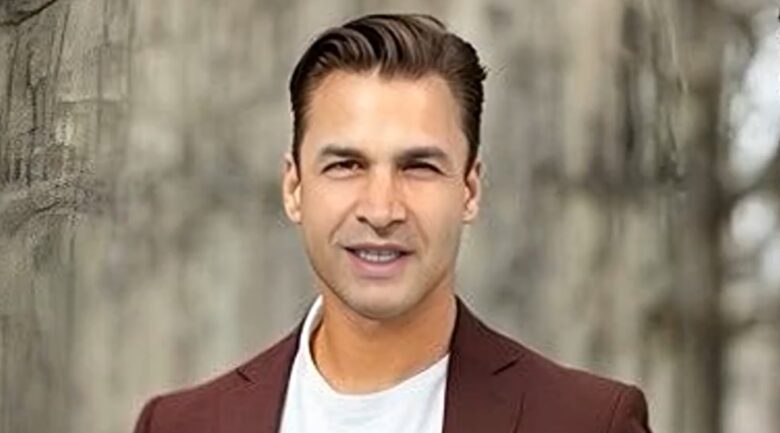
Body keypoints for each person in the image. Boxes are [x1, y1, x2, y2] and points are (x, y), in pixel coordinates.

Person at [133, 13, 652, 433]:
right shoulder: (178, 425)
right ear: (294, 188)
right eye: (346, 165)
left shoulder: (588, 422)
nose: (381, 210)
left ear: (469, 190)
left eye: (419, 167)